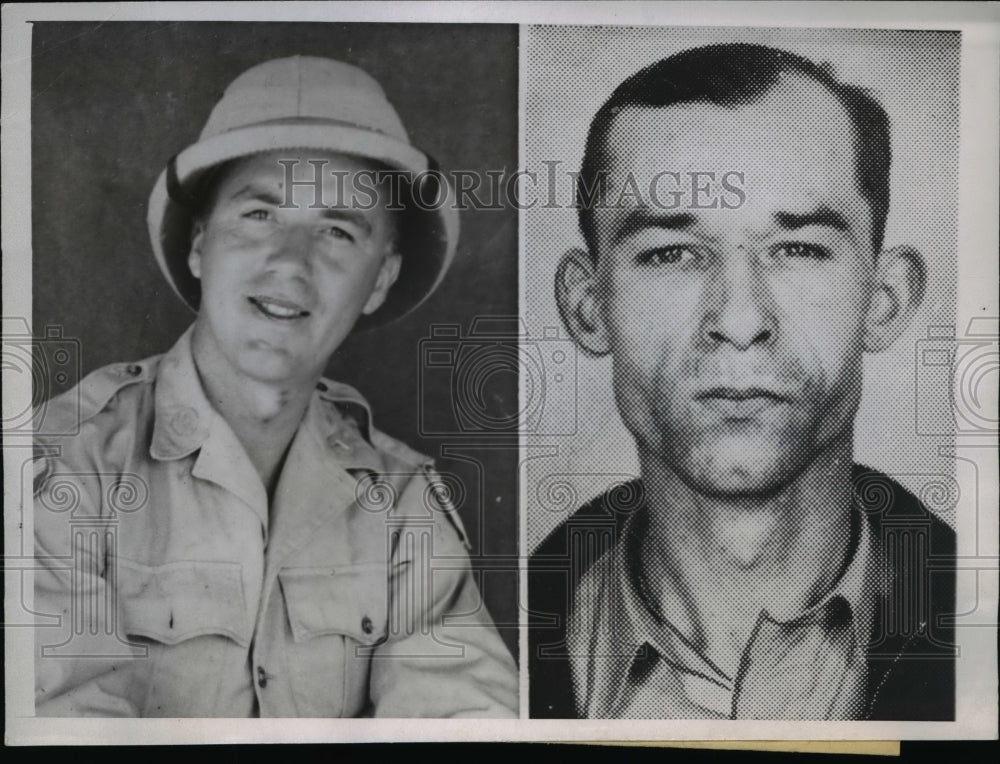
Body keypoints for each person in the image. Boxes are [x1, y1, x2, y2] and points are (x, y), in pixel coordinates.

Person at [33, 55, 518, 718]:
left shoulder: (401, 504)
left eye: (337, 230)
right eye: (260, 216)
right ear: (201, 246)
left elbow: (464, 722)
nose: (290, 263)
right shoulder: (65, 464)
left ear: (378, 280)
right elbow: (60, 732)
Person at [529, 43, 955, 720]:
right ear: (588, 305)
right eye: (671, 253)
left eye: (799, 249)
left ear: (884, 299)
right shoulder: (482, 631)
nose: (738, 319)